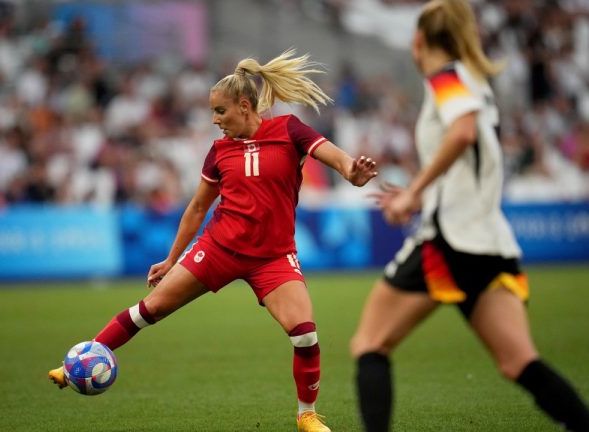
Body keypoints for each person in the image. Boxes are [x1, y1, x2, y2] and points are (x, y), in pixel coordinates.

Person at [48, 49, 378, 432]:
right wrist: (172, 259)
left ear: (243, 105)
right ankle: (78, 363)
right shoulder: (219, 151)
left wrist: (352, 172)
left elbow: (335, 158)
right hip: (218, 249)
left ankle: (306, 415)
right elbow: (195, 209)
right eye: (212, 113)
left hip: (273, 257)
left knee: (305, 334)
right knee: (148, 310)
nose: (215, 120)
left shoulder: (289, 131)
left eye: (220, 112)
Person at [349, 1, 589, 431]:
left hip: (450, 240)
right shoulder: (474, 82)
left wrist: (414, 193)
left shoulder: (445, 77)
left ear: (419, 40)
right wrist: (419, 192)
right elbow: (470, 148)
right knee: (519, 362)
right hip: (487, 241)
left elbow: (463, 133)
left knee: (370, 344)